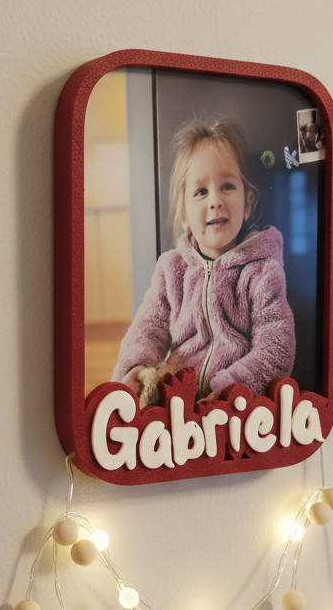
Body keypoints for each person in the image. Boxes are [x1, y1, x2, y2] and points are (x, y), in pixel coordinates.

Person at [110, 119, 295, 406]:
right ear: (184, 213)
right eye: (201, 192)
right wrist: (135, 367)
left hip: (233, 415)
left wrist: (229, 391)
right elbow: (147, 329)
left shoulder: (263, 272)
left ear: (246, 204)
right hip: (175, 407)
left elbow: (276, 349)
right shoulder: (171, 270)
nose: (215, 201)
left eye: (227, 186)